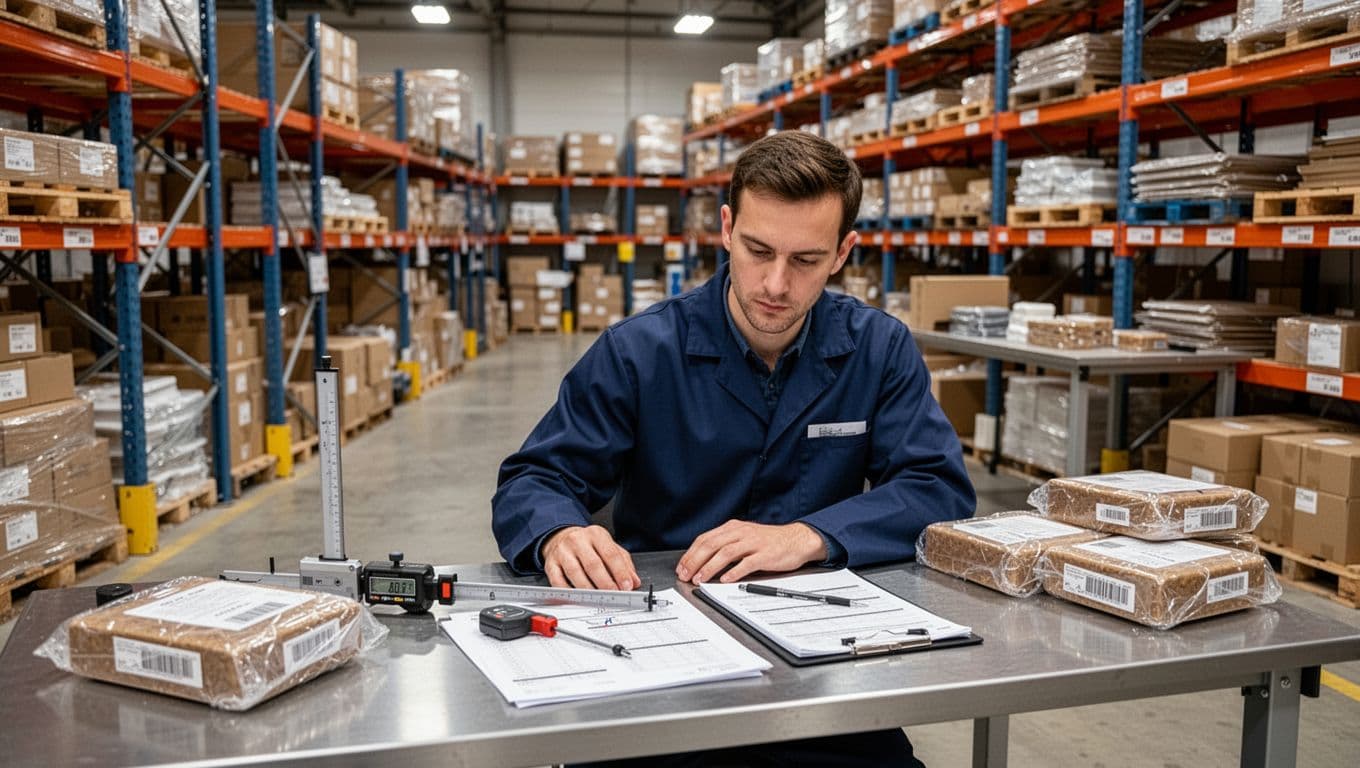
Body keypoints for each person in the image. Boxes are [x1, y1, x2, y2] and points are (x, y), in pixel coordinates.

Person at [492, 130, 975, 767]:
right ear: (726, 228)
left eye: (806, 259)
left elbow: (937, 488)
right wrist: (558, 533)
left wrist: (810, 535)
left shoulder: (877, 350)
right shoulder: (641, 352)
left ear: (842, 253)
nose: (775, 283)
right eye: (757, 250)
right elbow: (532, 480)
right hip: (658, 664)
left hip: (824, 669)